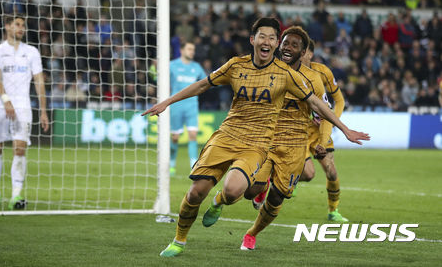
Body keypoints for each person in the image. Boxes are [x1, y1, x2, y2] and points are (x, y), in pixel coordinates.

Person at [142, 17, 369, 257]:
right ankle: (179, 240)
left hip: (258, 144)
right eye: (264, 36)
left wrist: (343, 128)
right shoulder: (235, 66)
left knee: (234, 191)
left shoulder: (288, 75)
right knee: (196, 192)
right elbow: (202, 85)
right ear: (253, 40)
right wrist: (167, 101)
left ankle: (226, 207)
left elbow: (315, 102)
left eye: (272, 38)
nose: (268, 41)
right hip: (227, 136)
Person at [240, 26, 329, 250]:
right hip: (266, 139)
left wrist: (321, 141)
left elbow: (324, 114)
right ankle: (258, 188)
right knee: (250, 189)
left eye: (295, 46)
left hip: (295, 144)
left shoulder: (314, 80)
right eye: (286, 43)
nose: (288, 48)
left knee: (279, 197)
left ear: (304, 52)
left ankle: (252, 233)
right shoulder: (266, 68)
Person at [0, 14, 49, 210]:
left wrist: (43, 111)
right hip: (0, 103)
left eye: (23, 25)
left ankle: (16, 195)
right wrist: (6, 100)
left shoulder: (31, 52)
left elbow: (39, 81)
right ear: (7, 27)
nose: (21, 28)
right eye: (17, 24)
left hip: (23, 104)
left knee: (20, 148)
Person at [299, 39, 348, 222]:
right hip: (299, 130)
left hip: (320, 131)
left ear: (309, 53)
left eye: (301, 51)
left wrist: (332, 120)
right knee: (307, 173)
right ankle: (284, 180)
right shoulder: (288, 73)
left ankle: (333, 211)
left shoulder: (323, 72)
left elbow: (339, 100)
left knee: (332, 172)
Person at [169, 41, 207, 175]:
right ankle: (171, 164)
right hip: (176, 106)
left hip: (192, 105)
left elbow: (206, 82)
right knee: (175, 137)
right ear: (182, 50)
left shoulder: (196, 67)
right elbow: (160, 81)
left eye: (193, 49)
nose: (192, 52)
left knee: (193, 135)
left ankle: (194, 166)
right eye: (190, 49)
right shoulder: (171, 66)